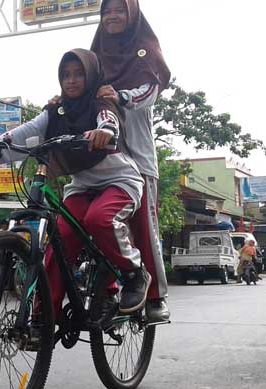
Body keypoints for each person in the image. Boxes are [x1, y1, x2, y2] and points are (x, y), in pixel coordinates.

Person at [0, 48, 148, 324]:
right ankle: (43, 317)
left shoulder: (101, 104)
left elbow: (109, 123)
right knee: (59, 239)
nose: (71, 81)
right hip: (82, 189)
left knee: (99, 219)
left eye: (79, 74)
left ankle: (135, 274)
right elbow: (21, 135)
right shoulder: (54, 112)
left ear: (91, 77)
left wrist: (105, 133)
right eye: (66, 75)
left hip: (120, 181)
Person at [90, 0, 172, 324]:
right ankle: (106, 290)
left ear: (132, 14)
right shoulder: (96, 54)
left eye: (119, 10)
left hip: (137, 157)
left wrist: (121, 97)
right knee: (97, 222)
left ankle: (156, 298)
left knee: (144, 227)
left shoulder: (144, 49)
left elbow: (151, 89)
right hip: (102, 160)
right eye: (106, 11)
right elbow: (81, 88)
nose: (112, 16)